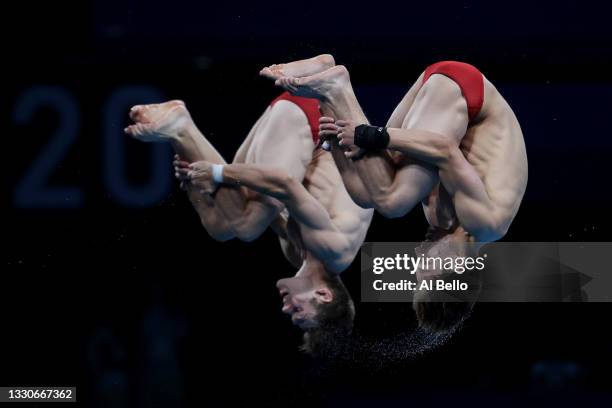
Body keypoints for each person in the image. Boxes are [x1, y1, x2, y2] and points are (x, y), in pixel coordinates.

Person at [124, 60, 373, 355]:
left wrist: (197, 183)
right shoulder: (335, 249)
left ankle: (180, 132)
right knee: (247, 224)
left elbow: (251, 200)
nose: (285, 308)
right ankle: (180, 128)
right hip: (313, 119)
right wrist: (216, 174)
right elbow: (282, 183)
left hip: (294, 132)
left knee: (223, 227)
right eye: (298, 313)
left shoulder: (296, 252)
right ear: (323, 294)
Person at [270, 59, 528, 332]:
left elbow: (400, 165)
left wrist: (337, 144)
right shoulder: (485, 223)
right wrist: (373, 135)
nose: (418, 252)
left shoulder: (438, 219)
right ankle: (337, 88)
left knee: (366, 196)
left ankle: (327, 99)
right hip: (465, 91)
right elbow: (445, 150)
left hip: (441, 93)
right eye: (426, 264)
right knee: (394, 202)